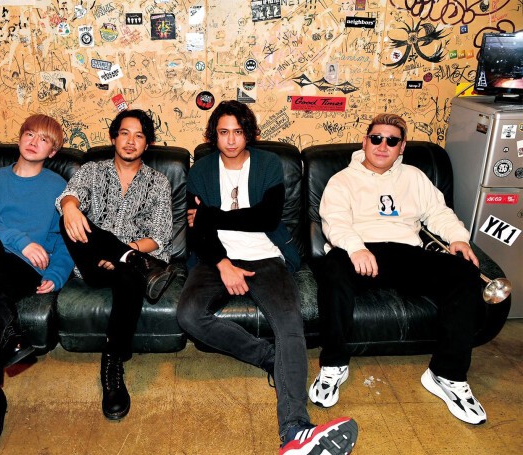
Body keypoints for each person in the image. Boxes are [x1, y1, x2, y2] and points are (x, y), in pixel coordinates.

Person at [177, 100, 358, 455]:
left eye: (238, 132)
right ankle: (268, 357)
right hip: (216, 258)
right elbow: (198, 232)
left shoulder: (269, 164)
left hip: (265, 255)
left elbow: (266, 218)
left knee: (290, 323)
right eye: (223, 132)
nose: (231, 140)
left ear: (249, 134)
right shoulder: (201, 170)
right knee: (188, 315)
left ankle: (295, 429)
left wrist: (211, 215)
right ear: (214, 135)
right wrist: (223, 264)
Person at [311, 113, 487, 425]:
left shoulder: (414, 177)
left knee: (465, 273)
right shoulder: (342, 180)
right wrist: (355, 247)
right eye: (376, 138)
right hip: (360, 251)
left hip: (406, 253)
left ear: (401, 147)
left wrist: (458, 238)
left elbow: (438, 212)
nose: (383, 145)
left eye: (392, 141)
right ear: (365, 142)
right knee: (332, 267)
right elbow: (334, 221)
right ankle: (334, 364)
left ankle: (446, 374)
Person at [0, 114, 74, 454]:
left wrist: (56, 274)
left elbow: (66, 239)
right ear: (20, 138)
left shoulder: (58, 188)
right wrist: (21, 241)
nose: (34, 142)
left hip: (23, 269)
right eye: (29, 134)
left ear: (52, 152)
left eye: (44, 139)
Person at [56, 108, 175, 421]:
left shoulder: (158, 182)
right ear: (113, 138)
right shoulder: (93, 170)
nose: (131, 141)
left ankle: (112, 364)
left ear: (147, 144)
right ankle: (131, 259)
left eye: (139, 136)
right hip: (91, 261)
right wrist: (70, 207)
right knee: (68, 220)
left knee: (129, 273)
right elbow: (71, 194)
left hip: (130, 267)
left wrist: (124, 253)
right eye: (124, 133)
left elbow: (160, 236)